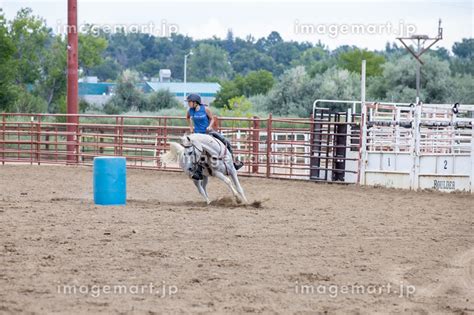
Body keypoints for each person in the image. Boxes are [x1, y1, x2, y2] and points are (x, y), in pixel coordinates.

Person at [186, 94, 243, 180]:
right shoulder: (190, 111)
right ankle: (197, 170)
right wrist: (190, 127)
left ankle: (234, 162)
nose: (188, 104)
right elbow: (187, 118)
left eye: (189, 102)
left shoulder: (205, 109)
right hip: (198, 136)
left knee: (225, 141)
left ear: (195, 102)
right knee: (193, 151)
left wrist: (210, 126)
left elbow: (212, 118)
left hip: (208, 133)